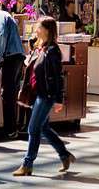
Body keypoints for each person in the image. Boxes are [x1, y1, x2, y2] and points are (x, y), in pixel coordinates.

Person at [12, 16, 76, 177]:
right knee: (43, 128)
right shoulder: (41, 48)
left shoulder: (53, 52)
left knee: (33, 128)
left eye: (39, 27)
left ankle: (27, 164)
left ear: (47, 30)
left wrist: (59, 99)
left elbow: (58, 76)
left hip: (45, 95)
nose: (36, 30)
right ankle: (64, 154)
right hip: (36, 93)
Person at [0, 2, 26, 138]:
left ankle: (9, 130)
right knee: (12, 94)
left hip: (10, 57)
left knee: (7, 94)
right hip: (17, 56)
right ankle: (14, 127)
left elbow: (0, 35)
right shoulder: (7, 16)